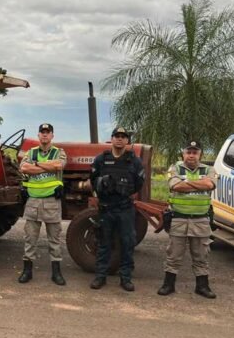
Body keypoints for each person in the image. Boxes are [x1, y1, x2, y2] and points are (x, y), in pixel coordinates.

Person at [159, 139, 217, 298]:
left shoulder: (209, 169)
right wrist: (200, 182)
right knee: (174, 254)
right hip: (179, 218)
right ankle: (168, 285)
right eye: (188, 152)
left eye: (195, 152)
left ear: (200, 154)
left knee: (201, 255)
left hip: (201, 220)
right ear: (183, 153)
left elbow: (210, 185)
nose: (191, 155)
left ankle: (202, 287)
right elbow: (175, 186)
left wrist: (186, 182)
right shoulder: (174, 168)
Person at [89, 127, 145, 291]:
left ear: (127, 140)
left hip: (125, 208)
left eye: (123, 137)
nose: (120, 139)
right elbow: (93, 180)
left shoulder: (134, 161)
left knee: (127, 243)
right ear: (112, 139)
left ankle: (125, 278)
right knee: (104, 242)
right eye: (117, 136)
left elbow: (139, 183)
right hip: (106, 208)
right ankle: (100, 276)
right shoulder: (101, 159)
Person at [17, 123, 67, 285]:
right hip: (33, 201)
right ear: (38, 135)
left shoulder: (58, 152)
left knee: (54, 239)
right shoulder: (30, 152)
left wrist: (36, 164)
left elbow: (58, 166)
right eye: (42, 132)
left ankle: (56, 273)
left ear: (52, 135)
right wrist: (47, 167)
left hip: (52, 201)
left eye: (48, 132)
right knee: (30, 239)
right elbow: (24, 168)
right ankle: (27, 271)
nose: (45, 135)